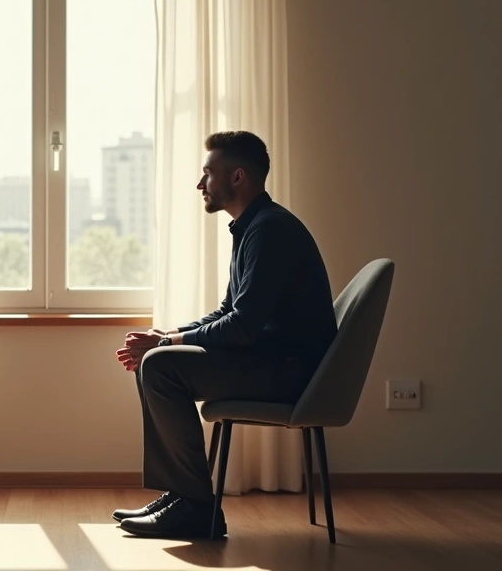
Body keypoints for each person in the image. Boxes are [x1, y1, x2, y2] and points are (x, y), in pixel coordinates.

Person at [112, 130, 337, 539]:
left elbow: (242, 326)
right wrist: (173, 333)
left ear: (237, 177)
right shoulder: (254, 227)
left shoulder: (269, 230)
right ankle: (185, 495)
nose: (200, 184)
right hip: (270, 362)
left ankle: (196, 507)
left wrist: (164, 345)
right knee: (158, 361)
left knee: (161, 367)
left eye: (207, 173)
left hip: (287, 372)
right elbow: (229, 312)